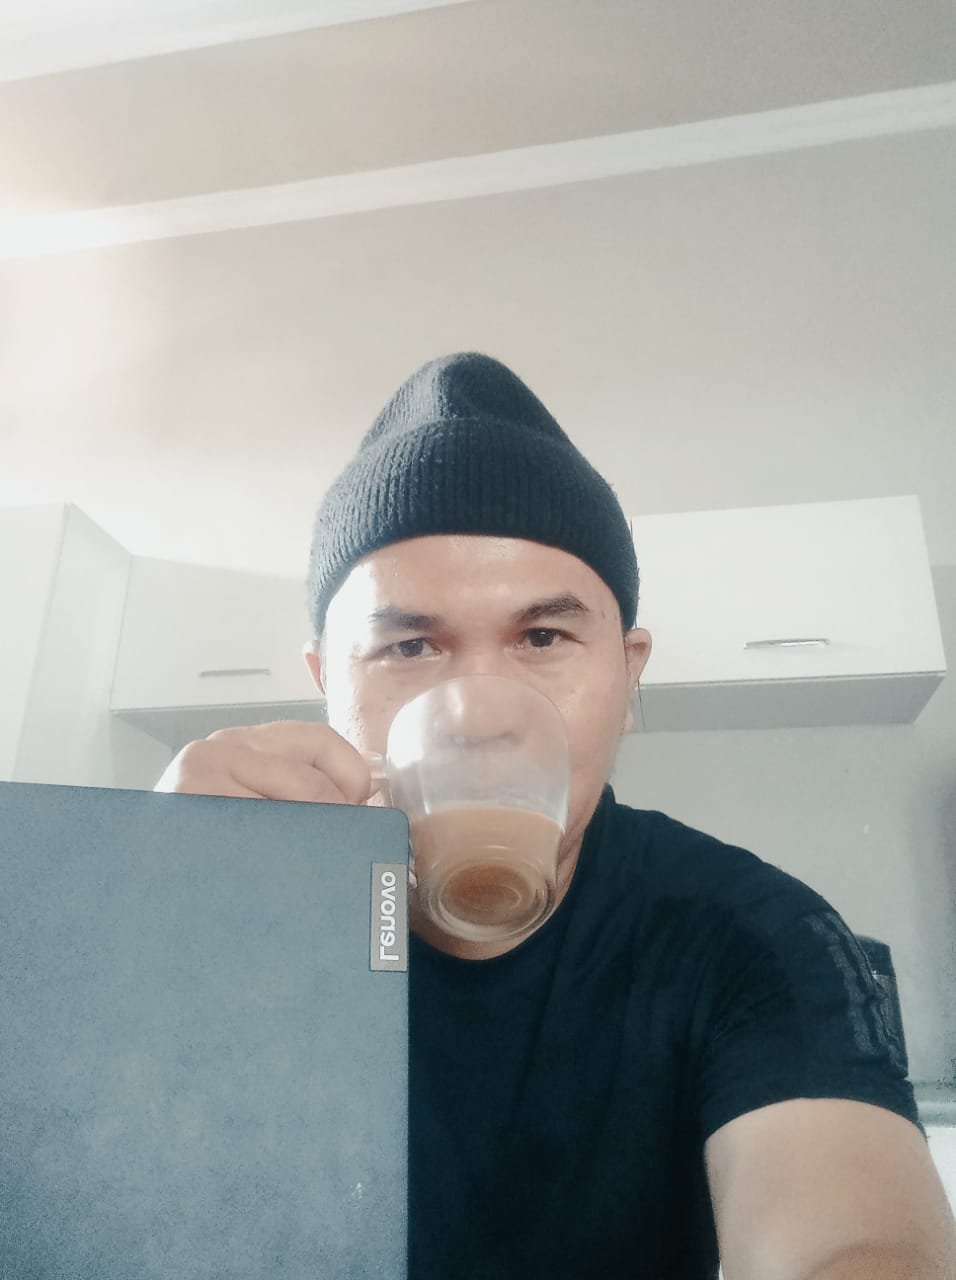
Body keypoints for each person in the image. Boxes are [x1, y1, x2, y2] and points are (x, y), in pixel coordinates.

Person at [156, 352, 956, 1279]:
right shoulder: (244, 914)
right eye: (409, 647)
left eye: (543, 637)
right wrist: (134, 904)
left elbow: (855, 1245)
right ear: (326, 682)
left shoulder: (748, 933)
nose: (479, 715)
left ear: (628, 672)